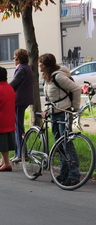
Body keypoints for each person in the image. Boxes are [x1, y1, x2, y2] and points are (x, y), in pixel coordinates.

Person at [39, 53, 82, 185]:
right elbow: (52, 97)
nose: (39, 66)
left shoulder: (58, 76)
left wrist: (75, 108)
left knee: (67, 144)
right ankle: (64, 174)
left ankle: (74, 175)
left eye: (41, 64)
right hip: (54, 113)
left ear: (47, 66)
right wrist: (47, 110)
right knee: (59, 145)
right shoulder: (48, 77)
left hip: (64, 112)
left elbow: (76, 89)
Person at [9, 49, 34, 163]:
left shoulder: (22, 69)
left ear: (18, 59)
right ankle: (21, 152)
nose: (13, 60)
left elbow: (13, 83)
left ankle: (21, 154)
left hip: (19, 101)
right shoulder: (26, 68)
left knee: (18, 127)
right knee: (18, 126)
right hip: (22, 100)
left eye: (14, 58)